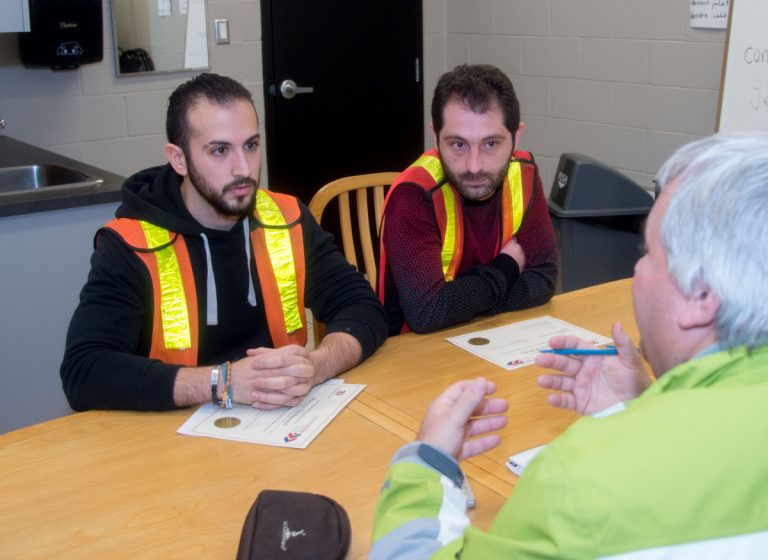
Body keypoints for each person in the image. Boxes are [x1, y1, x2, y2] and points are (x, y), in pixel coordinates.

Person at [370, 134, 768, 558]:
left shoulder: (581, 481)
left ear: (702, 296)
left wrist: (424, 464)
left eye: (649, 253)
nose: (636, 267)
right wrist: (643, 408)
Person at [61, 73, 388, 412]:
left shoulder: (285, 217)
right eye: (219, 150)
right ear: (179, 159)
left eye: (251, 145)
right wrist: (222, 382)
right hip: (171, 435)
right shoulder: (131, 244)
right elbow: (84, 371)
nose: (243, 168)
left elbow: (363, 309)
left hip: (281, 421)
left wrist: (317, 366)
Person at [378, 64, 556, 335]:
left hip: (489, 337)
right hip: (414, 354)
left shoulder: (524, 174)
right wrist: (506, 268)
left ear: (516, 137)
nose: (474, 166)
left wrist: (461, 302)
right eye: (458, 144)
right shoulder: (414, 194)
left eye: (491, 144)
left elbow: (543, 279)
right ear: (436, 138)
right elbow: (427, 314)